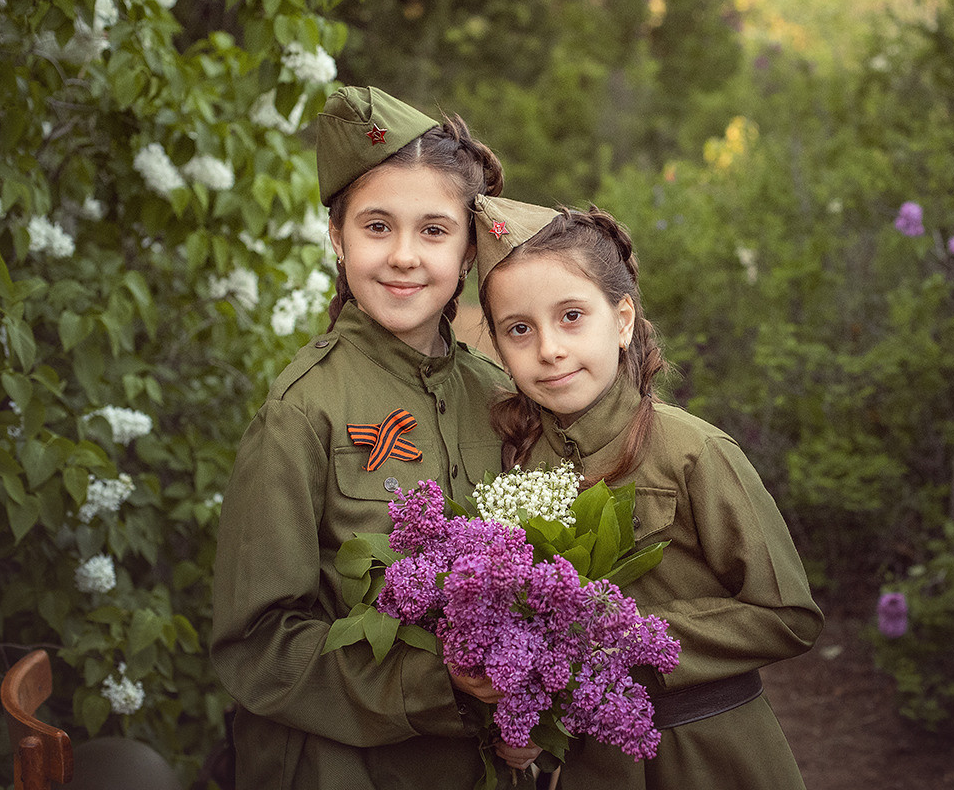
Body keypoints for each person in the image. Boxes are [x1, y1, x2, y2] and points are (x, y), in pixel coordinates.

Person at [210, 86, 535, 789]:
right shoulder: (302, 412)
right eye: (377, 226)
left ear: (470, 248)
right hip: (344, 767)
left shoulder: (504, 398)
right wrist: (435, 683)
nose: (404, 257)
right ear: (337, 236)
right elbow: (258, 645)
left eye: (434, 230)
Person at [473, 195, 825, 789]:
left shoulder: (695, 452)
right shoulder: (519, 466)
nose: (549, 349)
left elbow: (788, 616)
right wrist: (527, 720)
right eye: (519, 330)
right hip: (594, 765)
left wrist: (629, 637)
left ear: (624, 319)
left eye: (572, 316)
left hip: (709, 748)